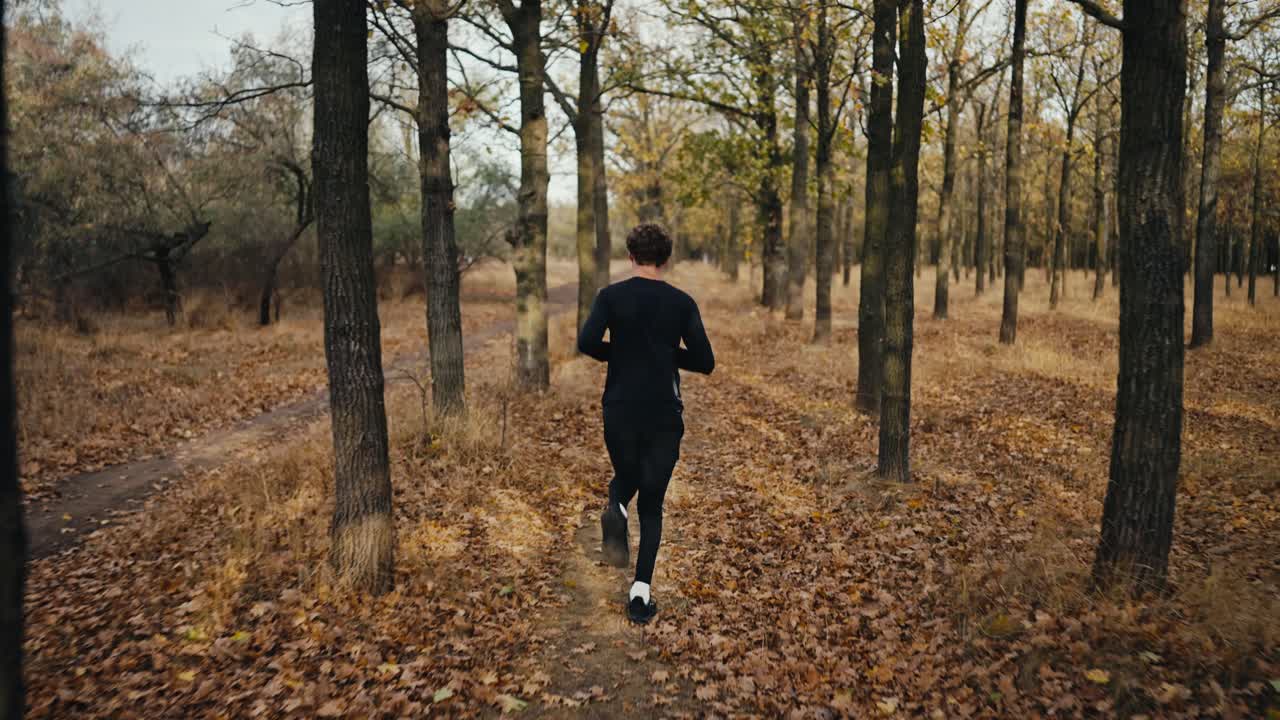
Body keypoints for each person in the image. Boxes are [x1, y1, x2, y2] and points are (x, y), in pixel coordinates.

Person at [577, 223, 715, 625]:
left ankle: (615, 506)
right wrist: (667, 356)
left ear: (631, 256)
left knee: (625, 475)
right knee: (652, 503)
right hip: (663, 412)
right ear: (666, 259)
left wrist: (621, 353)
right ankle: (640, 595)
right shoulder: (682, 303)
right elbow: (705, 361)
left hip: (619, 407)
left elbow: (587, 343)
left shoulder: (610, 297)